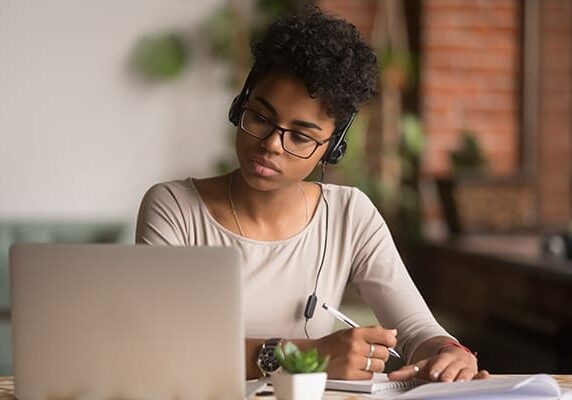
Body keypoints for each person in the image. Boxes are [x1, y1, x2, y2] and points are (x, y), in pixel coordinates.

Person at [136, 7, 488, 382]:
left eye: (301, 136)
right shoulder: (174, 208)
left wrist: (450, 354)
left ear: (331, 149)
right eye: (259, 118)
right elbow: (161, 346)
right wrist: (307, 354)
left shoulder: (350, 215)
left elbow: (417, 330)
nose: (271, 144)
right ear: (240, 106)